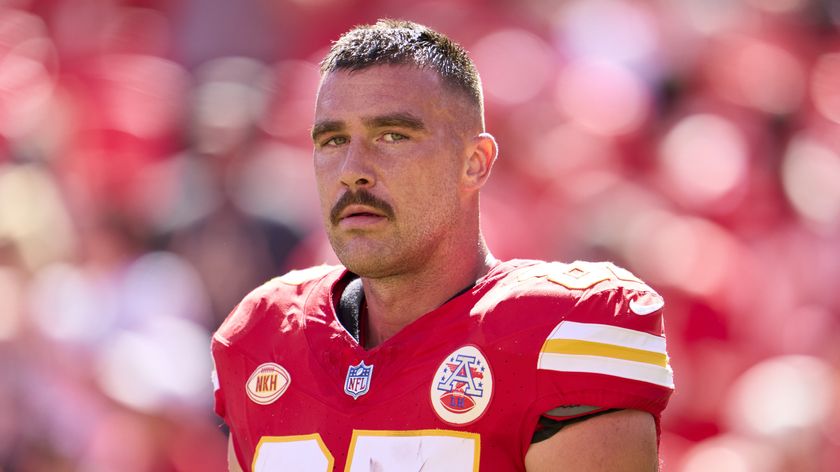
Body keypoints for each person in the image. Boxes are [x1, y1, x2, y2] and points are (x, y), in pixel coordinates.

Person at [211, 19, 674, 471]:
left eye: (392, 135)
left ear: (474, 163)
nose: (353, 168)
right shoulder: (265, 335)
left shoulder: (558, 330)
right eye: (332, 140)